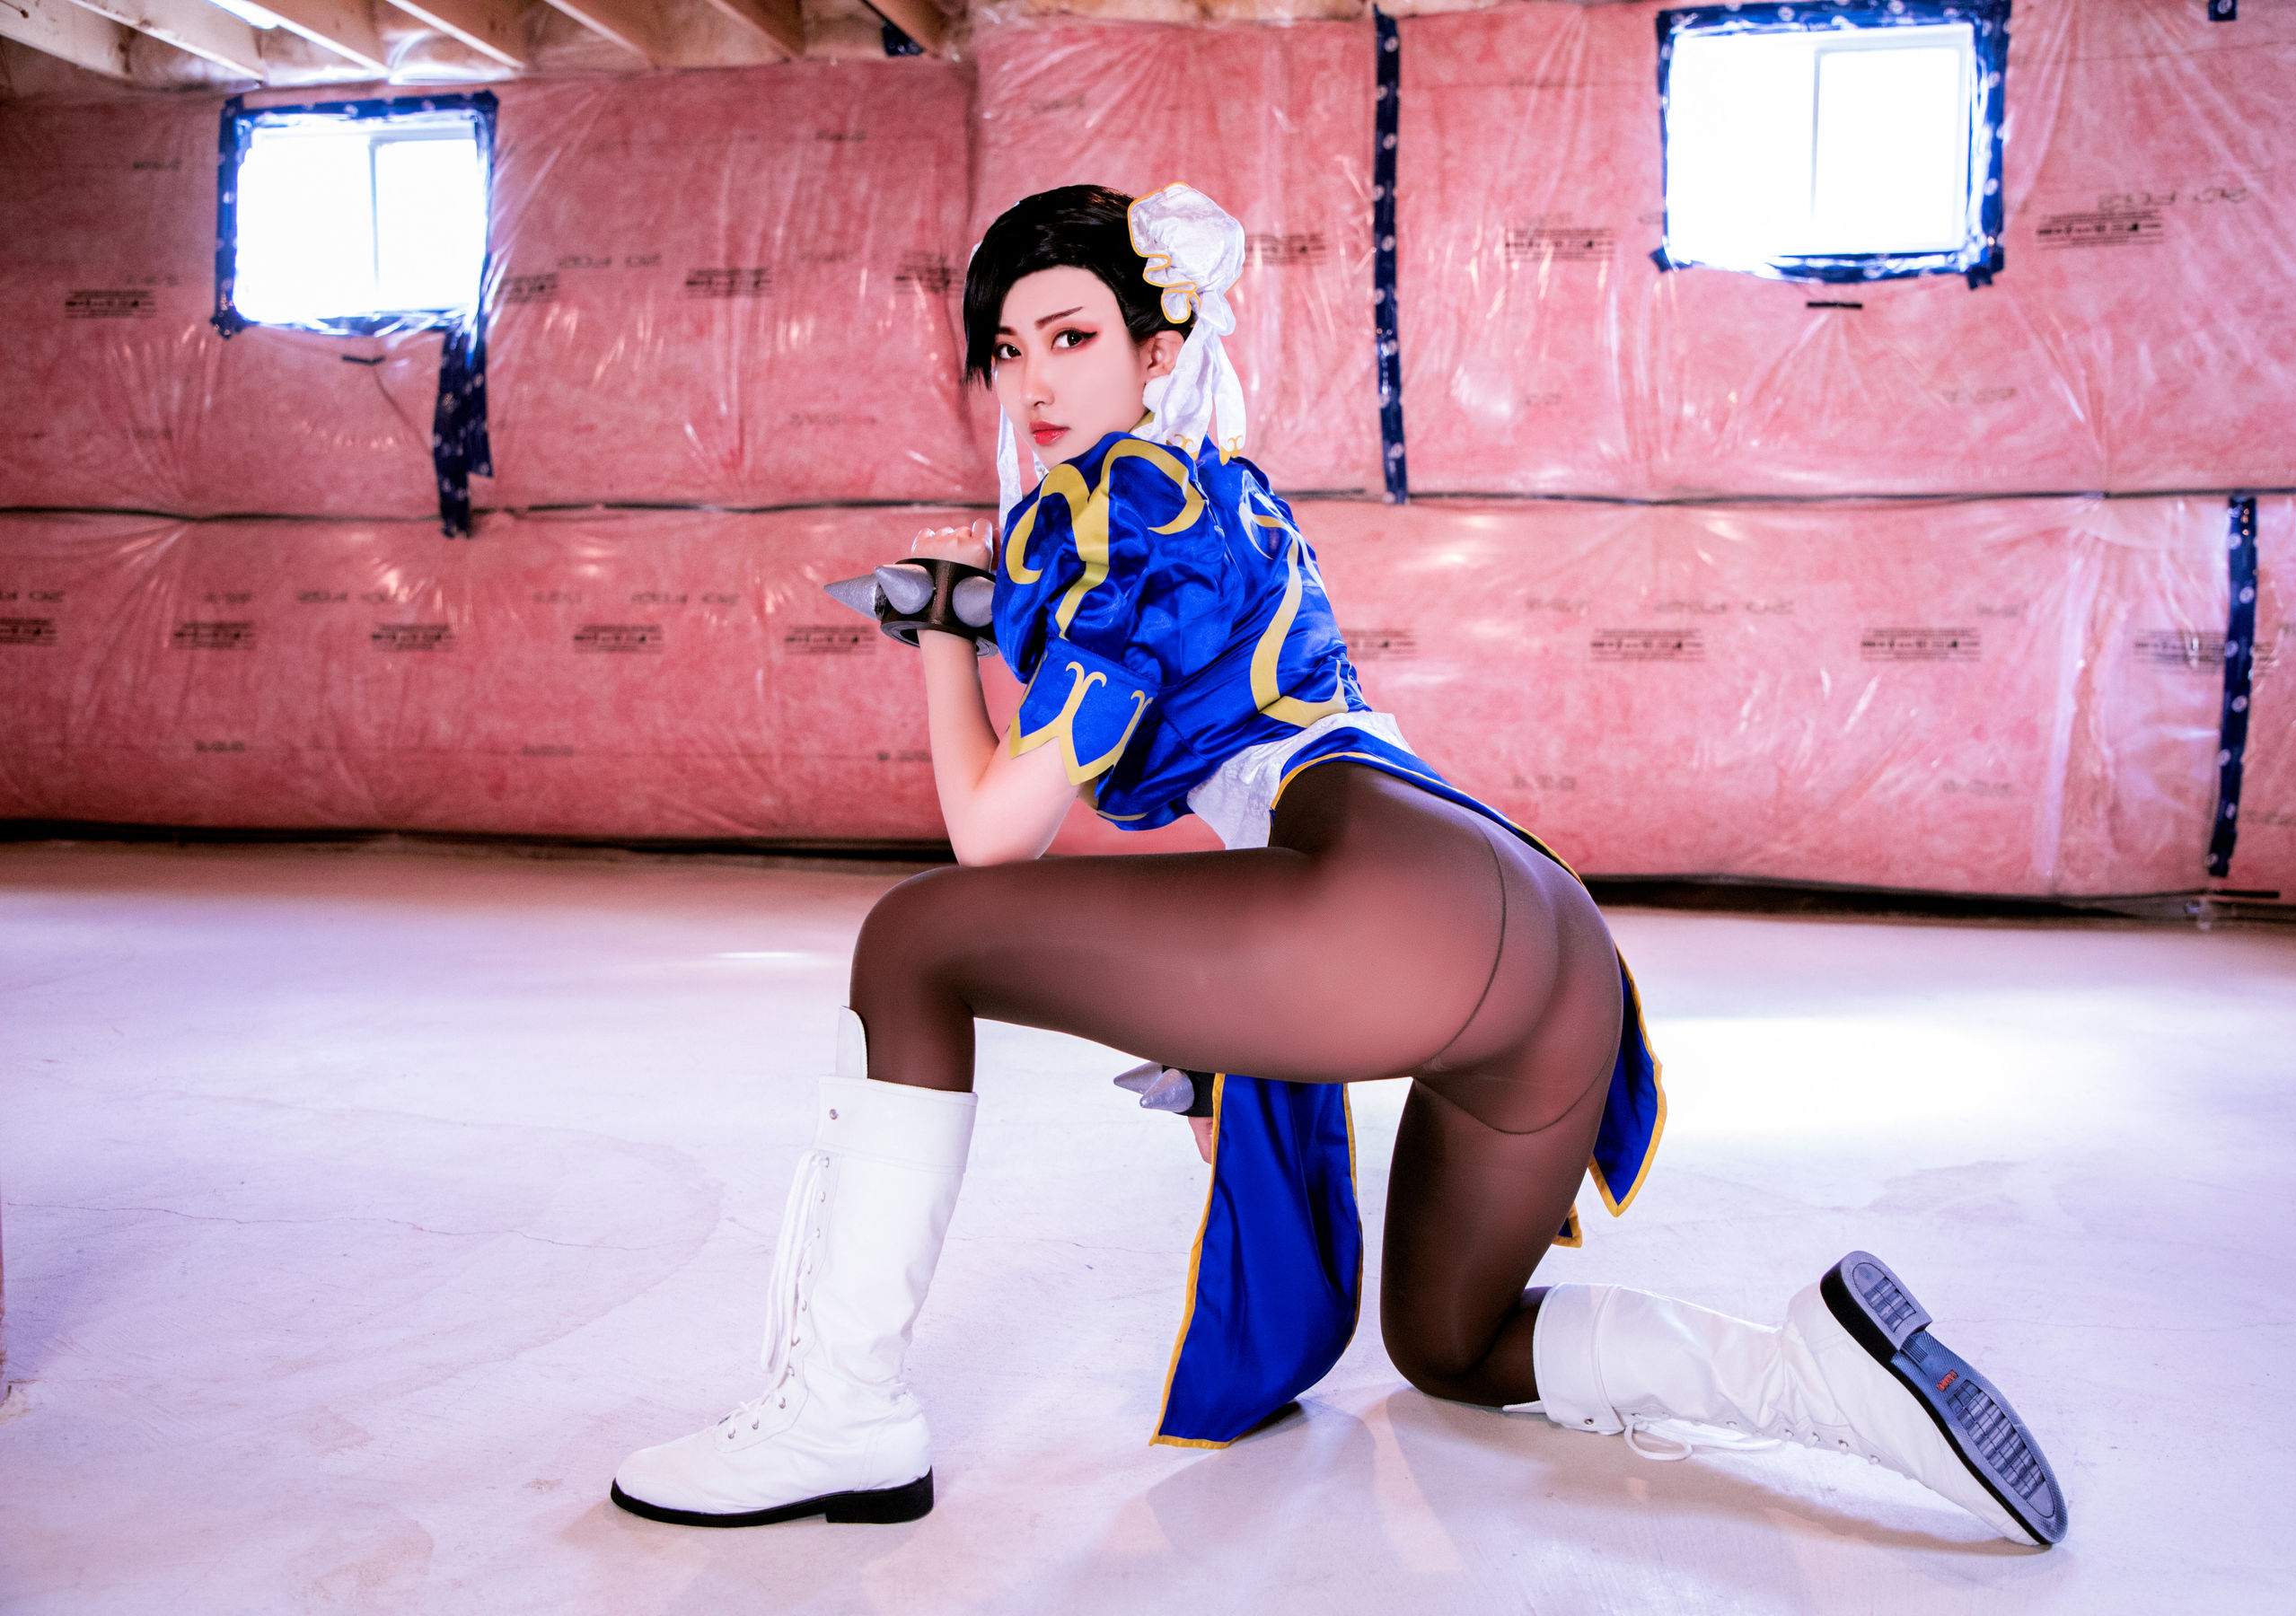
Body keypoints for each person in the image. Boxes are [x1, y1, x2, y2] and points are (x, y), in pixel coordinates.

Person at [605, 184, 2067, 1547]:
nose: (1032, 383)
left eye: (1071, 337)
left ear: (1159, 348)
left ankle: (840, 1410)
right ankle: (1808, 1377)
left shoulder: (1124, 513)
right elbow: (1202, 764)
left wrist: (938, 635)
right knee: (1451, 1341)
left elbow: (994, 833)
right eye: (1006, 351)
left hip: (1394, 907)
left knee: (916, 941)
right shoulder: (1229, 497)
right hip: (1543, 935)